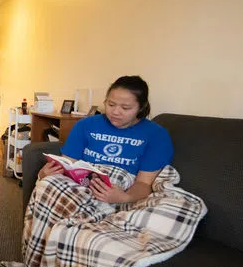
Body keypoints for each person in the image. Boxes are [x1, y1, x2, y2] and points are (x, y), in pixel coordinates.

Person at [37, 75, 173, 204]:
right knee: (47, 184)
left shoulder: (156, 135)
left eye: (125, 108)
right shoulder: (86, 125)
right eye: (111, 104)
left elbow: (144, 184)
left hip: (122, 191)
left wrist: (124, 198)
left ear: (140, 108)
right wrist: (45, 173)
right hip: (82, 187)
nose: (115, 112)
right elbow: (67, 164)